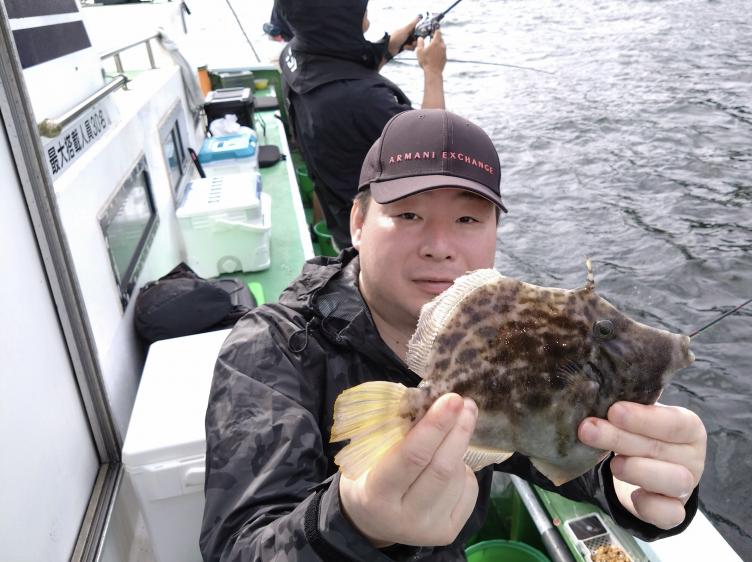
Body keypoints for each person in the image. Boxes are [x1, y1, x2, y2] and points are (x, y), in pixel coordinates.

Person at [200, 109, 707, 561]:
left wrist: (629, 481)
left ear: (493, 232)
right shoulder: (270, 350)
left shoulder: (507, 336)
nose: (440, 246)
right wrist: (353, 523)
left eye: (467, 217)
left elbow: (544, 436)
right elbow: (238, 545)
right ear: (358, 222)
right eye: (408, 215)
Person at [277, 0, 446, 250]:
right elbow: (432, 144)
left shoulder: (292, 53)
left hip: (340, 216)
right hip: (372, 240)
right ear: (342, 18)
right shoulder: (365, 100)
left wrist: (390, 46)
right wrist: (433, 71)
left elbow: (337, 71)